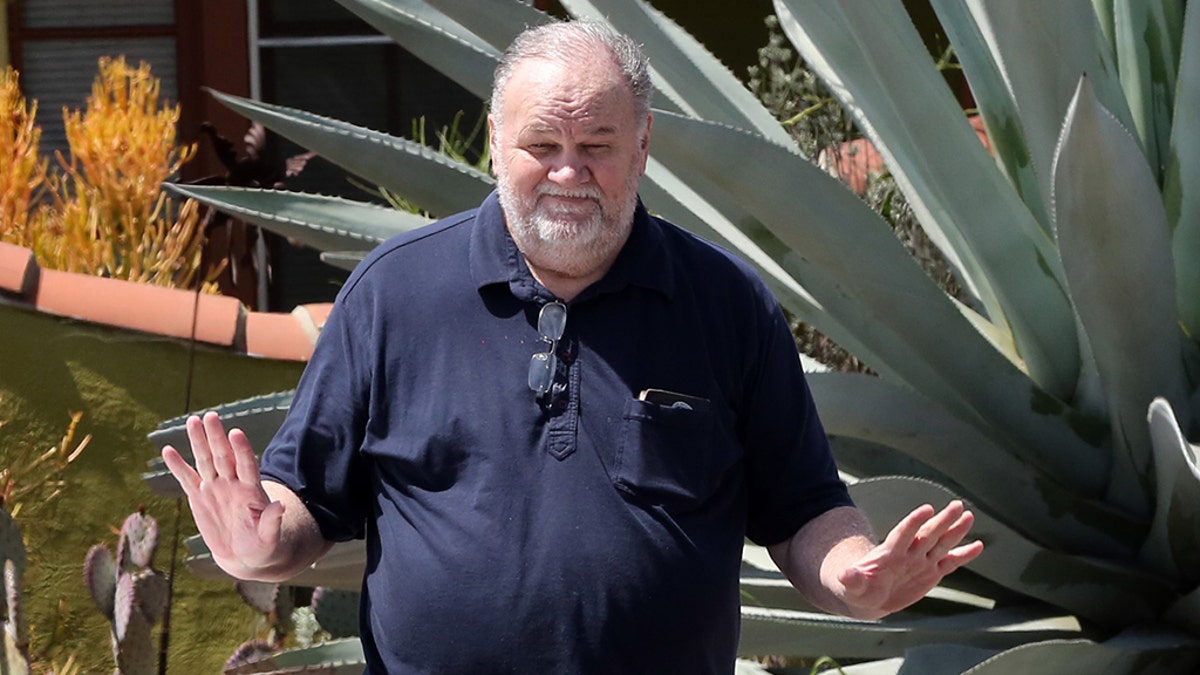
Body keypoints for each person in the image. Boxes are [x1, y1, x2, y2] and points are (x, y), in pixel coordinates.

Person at [162, 20, 983, 673]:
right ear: (494, 143)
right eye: (541, 147)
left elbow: (801, 506)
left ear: (643, 146)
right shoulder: (392, 296)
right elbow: (311, 499)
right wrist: (264, 543)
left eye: (596, 147)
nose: (567, 173)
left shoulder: (725, 305)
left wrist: (848, 574)